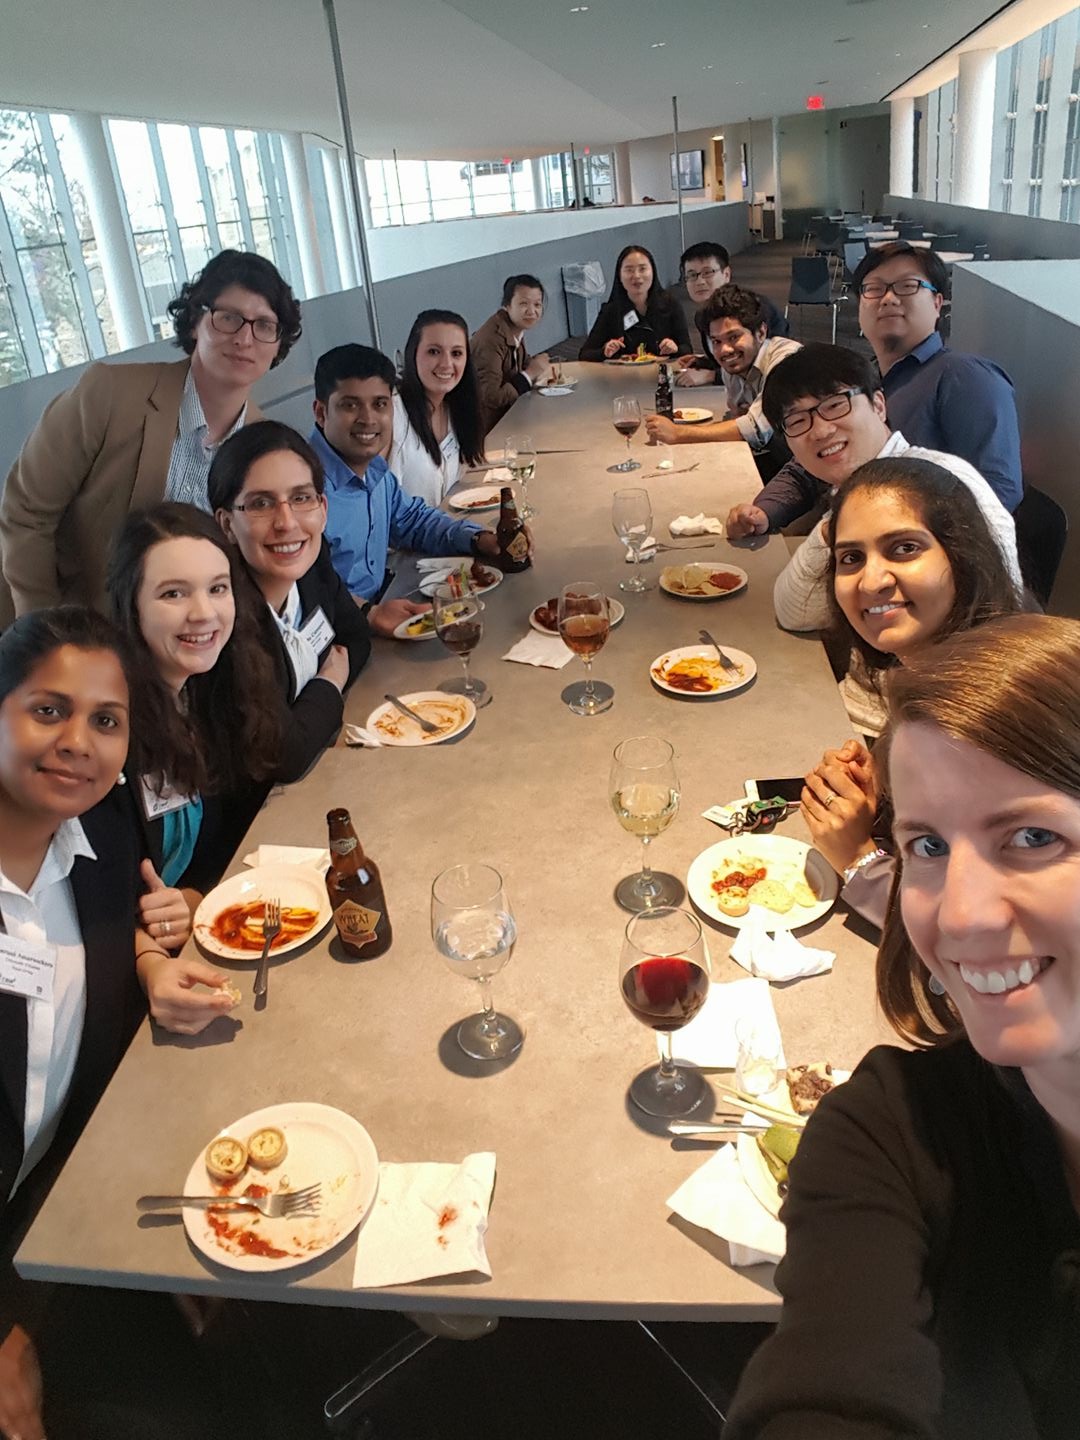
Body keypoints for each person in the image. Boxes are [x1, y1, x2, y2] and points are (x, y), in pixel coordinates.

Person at [724, 612, 1080, 1440]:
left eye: (1032, 837)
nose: (959, 915)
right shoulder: (887, 1132)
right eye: (927, 846)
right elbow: (829, 1381)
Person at [0, 607, 237, 1440]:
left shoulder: (90, 837)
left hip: (63, 1203)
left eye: (106, 721)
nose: (78, 742)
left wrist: (148, 963)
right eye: (48, 710)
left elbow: (110, 937)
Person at [0, 250, 302, 619]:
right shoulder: (109, 394)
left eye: (264, 325)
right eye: (228, 318)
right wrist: (48, 630)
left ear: (277, 346)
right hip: (80, 626)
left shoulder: (262, 446)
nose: (244, 338)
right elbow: (26, 512)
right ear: (195, 322)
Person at [795, 456, 1022, 926]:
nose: (872, 581)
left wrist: (857, 859)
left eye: (903, 548)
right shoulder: (922, 677)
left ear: (962, 555)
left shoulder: (997, 714)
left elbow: (990, 929)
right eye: (851, 558)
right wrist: (890, 784)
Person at [760, 344, 1022, 632]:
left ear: (879, 405)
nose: (821, 430)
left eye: (835, 405)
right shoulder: (855, 495)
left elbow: (994, 609)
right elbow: (794, 611)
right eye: (798, 421)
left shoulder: (940, 482)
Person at [107, 504, 289, 910]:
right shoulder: (107, 723)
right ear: (131, 605)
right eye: (173, 593)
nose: (204, 613)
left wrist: (195, 897)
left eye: (217, 588)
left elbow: (231, 831)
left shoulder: (216, 688)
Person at [209, 422, 371, 777]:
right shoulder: (219, 621)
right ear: (225, 525)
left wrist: (307, 719)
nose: (286, 523)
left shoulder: (310, 567)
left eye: (301, 498)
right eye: (261, 503)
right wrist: (328, 683)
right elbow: (283, 755)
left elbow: (356, 638)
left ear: (323, 508)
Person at [309, 345, 506, 611]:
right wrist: (367, 614)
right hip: (341, 637)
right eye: (350, 405)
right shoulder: (302, 491)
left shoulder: (375, 471)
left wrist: (478, 539)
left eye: (379, 404)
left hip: (385, 604)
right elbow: (302, 594)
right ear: (321, 413)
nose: (368, 419)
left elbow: (414, 522)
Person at [853, 242, 1023, 511]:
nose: (888, 298)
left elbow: (999, 489)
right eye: (874, 288)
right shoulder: (865, 377)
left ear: (937, 303)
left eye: (907, 286)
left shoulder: (965, 377)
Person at [644, 286, 800, 478]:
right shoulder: (734, 366)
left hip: (818, 476)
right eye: (716, 341)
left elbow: (754, 429)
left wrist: (678, 433)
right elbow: (738, 416)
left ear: (761, 332)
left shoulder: (785, 360)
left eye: (734, 337)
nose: (725, 349)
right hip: (786, 463)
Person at [390, 309, 485, 507]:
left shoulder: (456, 408)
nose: (446, 364)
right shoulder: (393, 415)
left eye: (456, 353)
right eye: (434, 352)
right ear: (413, 353)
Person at [675, 241, 788, 387]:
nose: (700, 282)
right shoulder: (703, 316)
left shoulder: (754, 309)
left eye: (707, 273)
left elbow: (772, 366)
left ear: (726, 274)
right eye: (692, 275)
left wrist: (712, 376)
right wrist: (703, 362)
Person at [578, 246, 691, 363]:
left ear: (653, 272)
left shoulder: (671, 305)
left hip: (662, 374)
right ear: (620, 276)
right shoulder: (611, 310)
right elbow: (585, 354)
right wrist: (604, 351)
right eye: (629, 270)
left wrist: (675, 348)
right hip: (624, 377)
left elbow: (687, 349)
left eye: (642, 269)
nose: (636, 276)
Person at [471, 276, 551, 433]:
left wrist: (535, 365)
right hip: (488, 429)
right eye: (523, 304)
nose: (532, 311)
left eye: (537, 305)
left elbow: (517, 363)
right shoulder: (491, 340)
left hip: (508, 415)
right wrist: (530, 374)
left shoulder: (512, 328)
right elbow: (491, 397)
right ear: (507, 305)